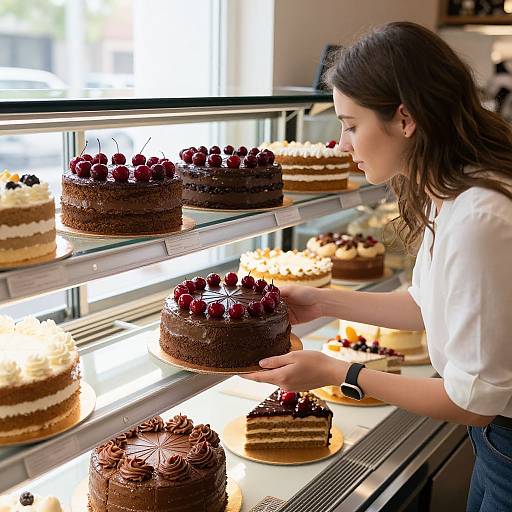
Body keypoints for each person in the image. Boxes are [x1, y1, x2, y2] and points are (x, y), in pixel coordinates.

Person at [243, 22, 512, 512]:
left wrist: (340, 371)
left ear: (404, 119)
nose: (343, 144)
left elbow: (472, 404)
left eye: (350, 124)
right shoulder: (451, 188)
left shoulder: (479, 215)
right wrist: (321, 300)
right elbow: (428, 305)